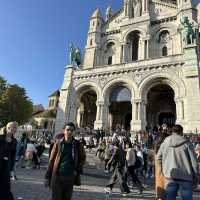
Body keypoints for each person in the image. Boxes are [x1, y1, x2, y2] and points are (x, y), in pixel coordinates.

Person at [157, 124, 199, 200]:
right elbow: (194, 162)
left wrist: (163, 170)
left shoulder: (165, 143)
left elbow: (158, 157)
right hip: (186, 176)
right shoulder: (187, 143)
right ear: (181, 132)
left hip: (170, 176)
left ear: (172, 132)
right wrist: (196, 176)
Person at [45, 122, 86, 200]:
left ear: (74, 132)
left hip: (70, 176)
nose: (70, 132)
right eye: (68, 130)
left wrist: (77, 170)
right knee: (56, 198)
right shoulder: (58, 144)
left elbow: (82, 158)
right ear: (64, 131)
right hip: (58, 175)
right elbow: (51, 160)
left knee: (67, 198)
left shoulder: (78, 144)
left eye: (72, 130)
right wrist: (47, 176)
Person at [0, 121, 18, 200]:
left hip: (7, 166)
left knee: (6, 186)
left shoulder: (14, 141)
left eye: (16, 128)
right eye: (14, 127)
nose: (15, 129)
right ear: (8, 128)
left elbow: (13, 155)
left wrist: (12, 168)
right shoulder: (0, 138)